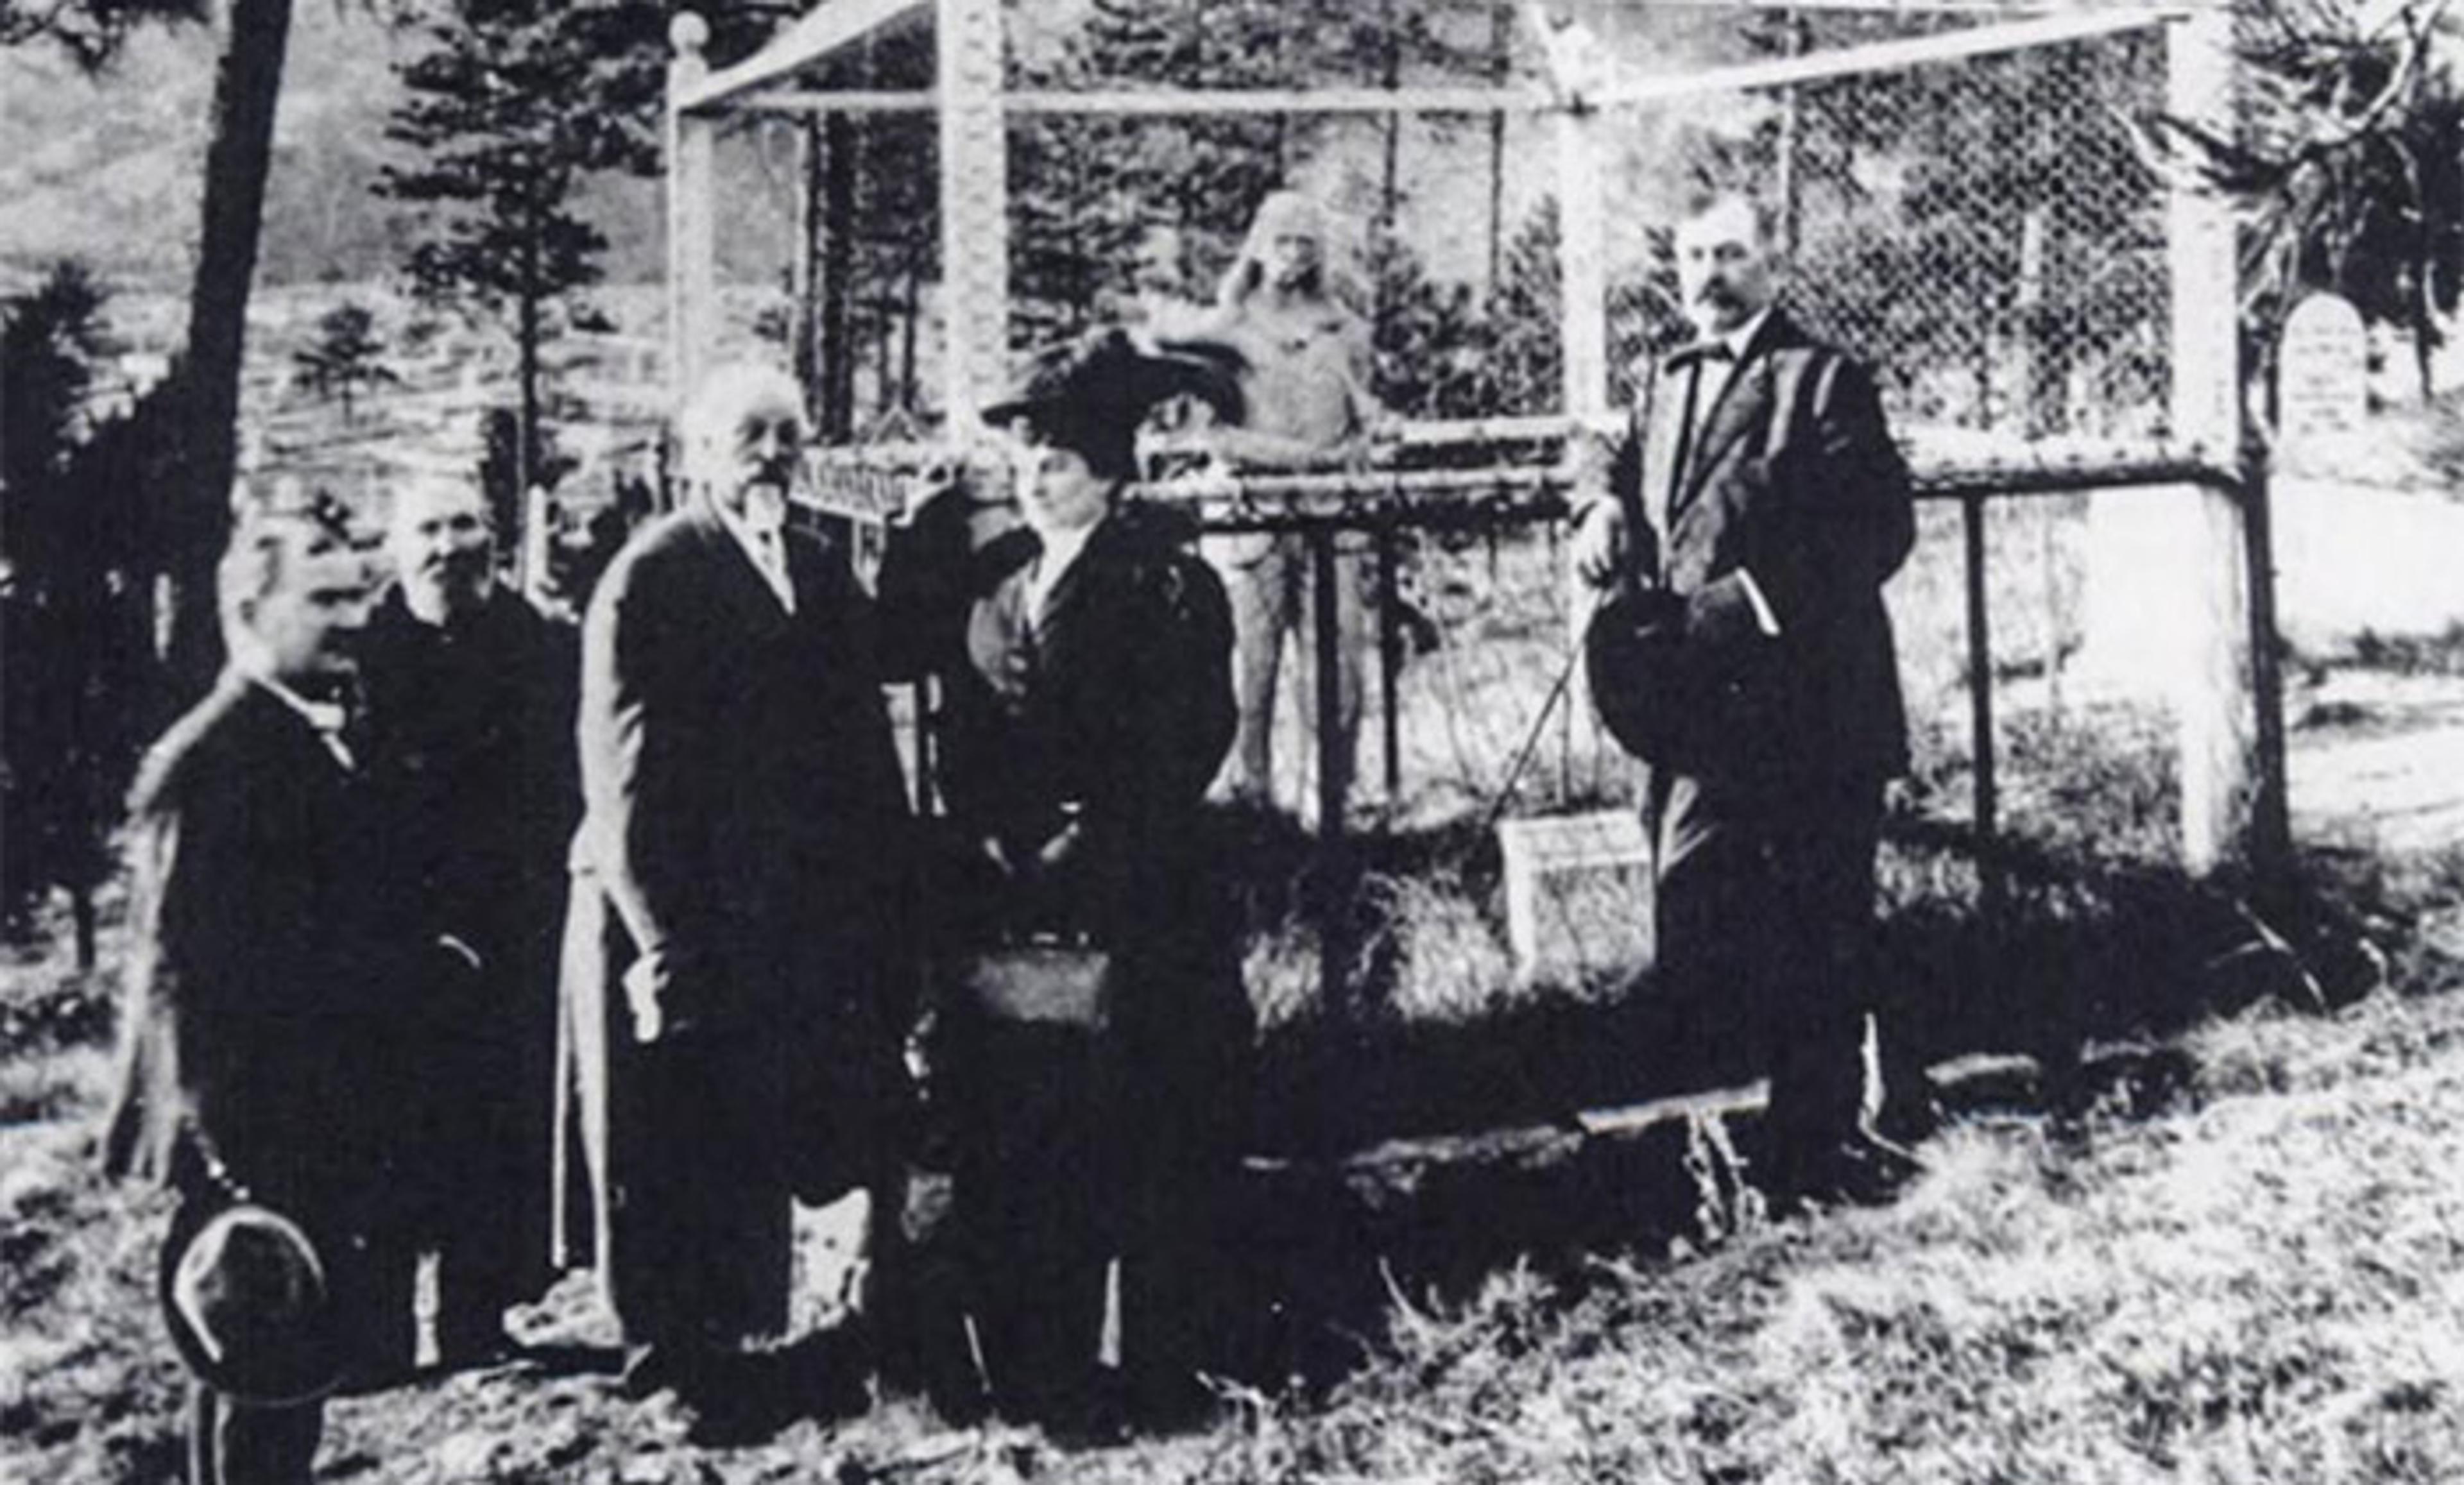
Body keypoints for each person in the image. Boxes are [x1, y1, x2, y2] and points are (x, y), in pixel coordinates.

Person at [877, 328, 1246, 1432]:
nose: (1037, 479)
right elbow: (950, 714)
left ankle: (1159, 1372)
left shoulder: (1168, 586)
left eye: (1062, 464)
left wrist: (1092, 841)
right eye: (1028, 462)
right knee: (1037, 1140)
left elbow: (1190, 736)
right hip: (1017, 911)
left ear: (1112, 478)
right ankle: (1046, 1370)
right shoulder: (998, 587)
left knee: (1143, 1131)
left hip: (1138, 901)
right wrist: (991, 841)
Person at [560, 362, 912, 1416]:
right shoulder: (655, 573)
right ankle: (673, 1361)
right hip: (682, 909)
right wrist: (660, 939)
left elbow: (863, 737)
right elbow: (619, 774)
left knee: (758, 1122)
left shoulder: (816, 566)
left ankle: (756, 1351)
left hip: (794, 913)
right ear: (699, 455)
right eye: (747, 438)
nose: (770, 458)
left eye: (787, 439)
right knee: (669, 1132)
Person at [1572, 189, 1924, 1207]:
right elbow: (1612, 445)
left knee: (1820, 921)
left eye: (1730, 253)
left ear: (1773, 264)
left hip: (1813, 708)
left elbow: (1877, 531)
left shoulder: (1824, 380)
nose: (1708, 274)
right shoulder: (1668, 379)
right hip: (1699, 714)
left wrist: (1748, 600)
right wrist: (1599, 497)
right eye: (1691, 257)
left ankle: (1816, 1156)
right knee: (1699, 910)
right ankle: (1745, 1135)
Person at [99, 507, 432, 1484]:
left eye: (358, 595)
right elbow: (183, 975)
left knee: (270, 1378)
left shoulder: (306, 732)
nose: (352, 617)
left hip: (307, 1116)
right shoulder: (219, 758)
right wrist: (240, 1155)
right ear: (251, 609)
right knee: (262, 1369)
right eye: (323, 599)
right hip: (259, 1128)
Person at [357, 472, 578, 1366]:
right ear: (397, 548)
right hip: (395, 932)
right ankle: (373, 1331)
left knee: (499, 1125)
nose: (449, 544)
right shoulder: (364, 653)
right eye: (428, 529)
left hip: (514, 924)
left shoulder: (538, 645)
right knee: (390, 1131)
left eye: (464, 524)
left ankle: (476, 1318)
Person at [1190, 189, 1390, 815]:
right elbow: (1212, 432)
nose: (1294, 255)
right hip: (1251, 517)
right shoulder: (1225, 330)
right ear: (1257, 245)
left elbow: (1364, 416)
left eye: (1306, 242)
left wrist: (1369, 440)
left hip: (1334, 516)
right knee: (1249, 666)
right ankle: (1248, 797)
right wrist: (1299, 457)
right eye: (1282, 240)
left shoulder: (1345, 329)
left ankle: (1331, 796)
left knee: (1338, 666)